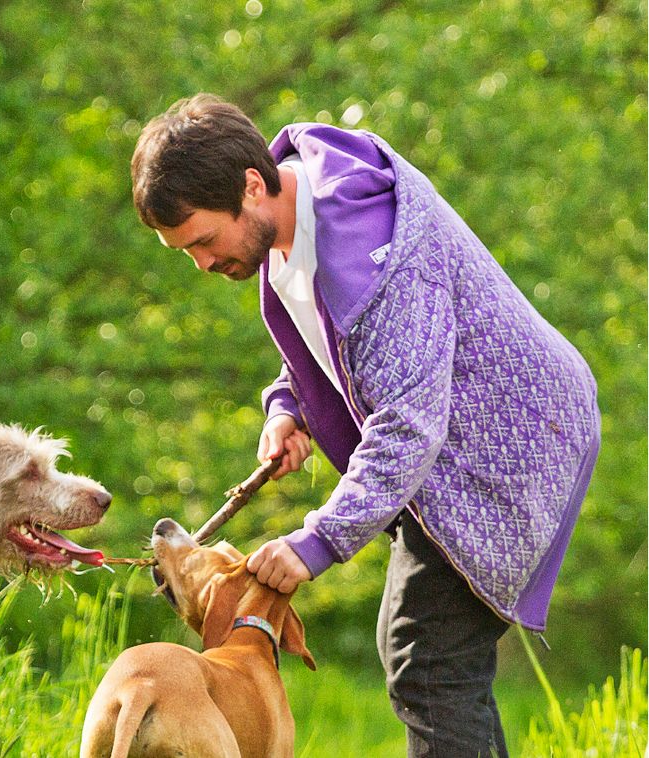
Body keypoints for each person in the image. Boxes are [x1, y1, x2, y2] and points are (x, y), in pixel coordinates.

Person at [130, 93, 600, 757]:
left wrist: (315, 542)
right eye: (185, 252)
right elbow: (338, 347)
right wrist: (289, 406)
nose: (203, 264)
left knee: (426, 659)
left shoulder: (371, 253)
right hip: (448, 439)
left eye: (203, 241)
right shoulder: (289, 219)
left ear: (252, 186)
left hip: (509, 443)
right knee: (425, 655)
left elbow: (406, 424)